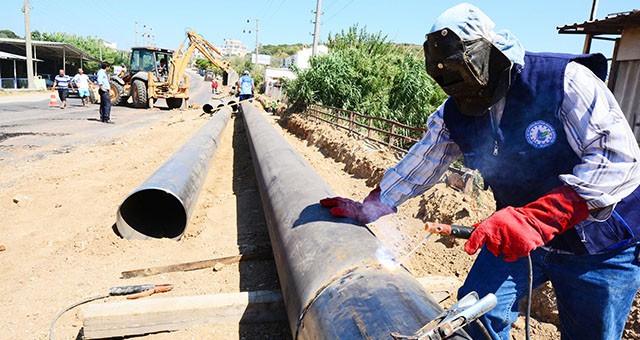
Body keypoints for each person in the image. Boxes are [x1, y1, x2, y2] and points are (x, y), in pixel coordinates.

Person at [320, 3, 640, 340]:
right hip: (518, 238)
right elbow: (424, 161)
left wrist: (539, 218)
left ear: (491, 54)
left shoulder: (563, 80)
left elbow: (618, 158)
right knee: (470, 320)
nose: (466, 94)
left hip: (599, 248)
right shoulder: (455, 113)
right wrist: (376, 202)